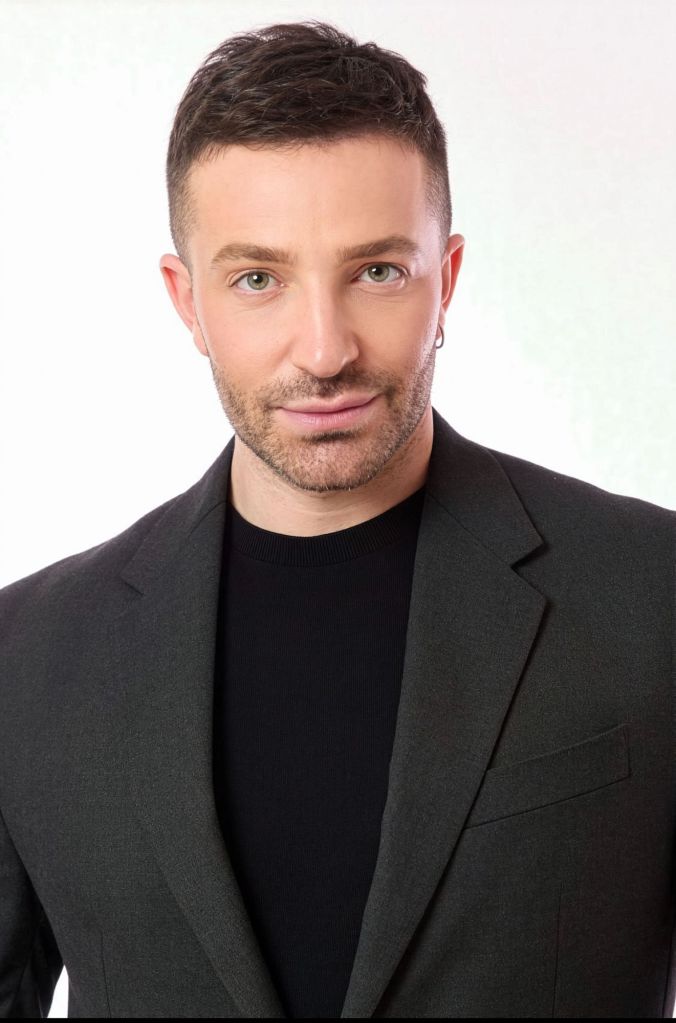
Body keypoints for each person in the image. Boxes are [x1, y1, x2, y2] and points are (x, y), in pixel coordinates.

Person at [1, 18, 674, 1020]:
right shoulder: (25, 657)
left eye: (376, 272)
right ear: (188, 302)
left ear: (446, 281)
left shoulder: (653, 596)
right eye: (258, 279)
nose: (324, 351)